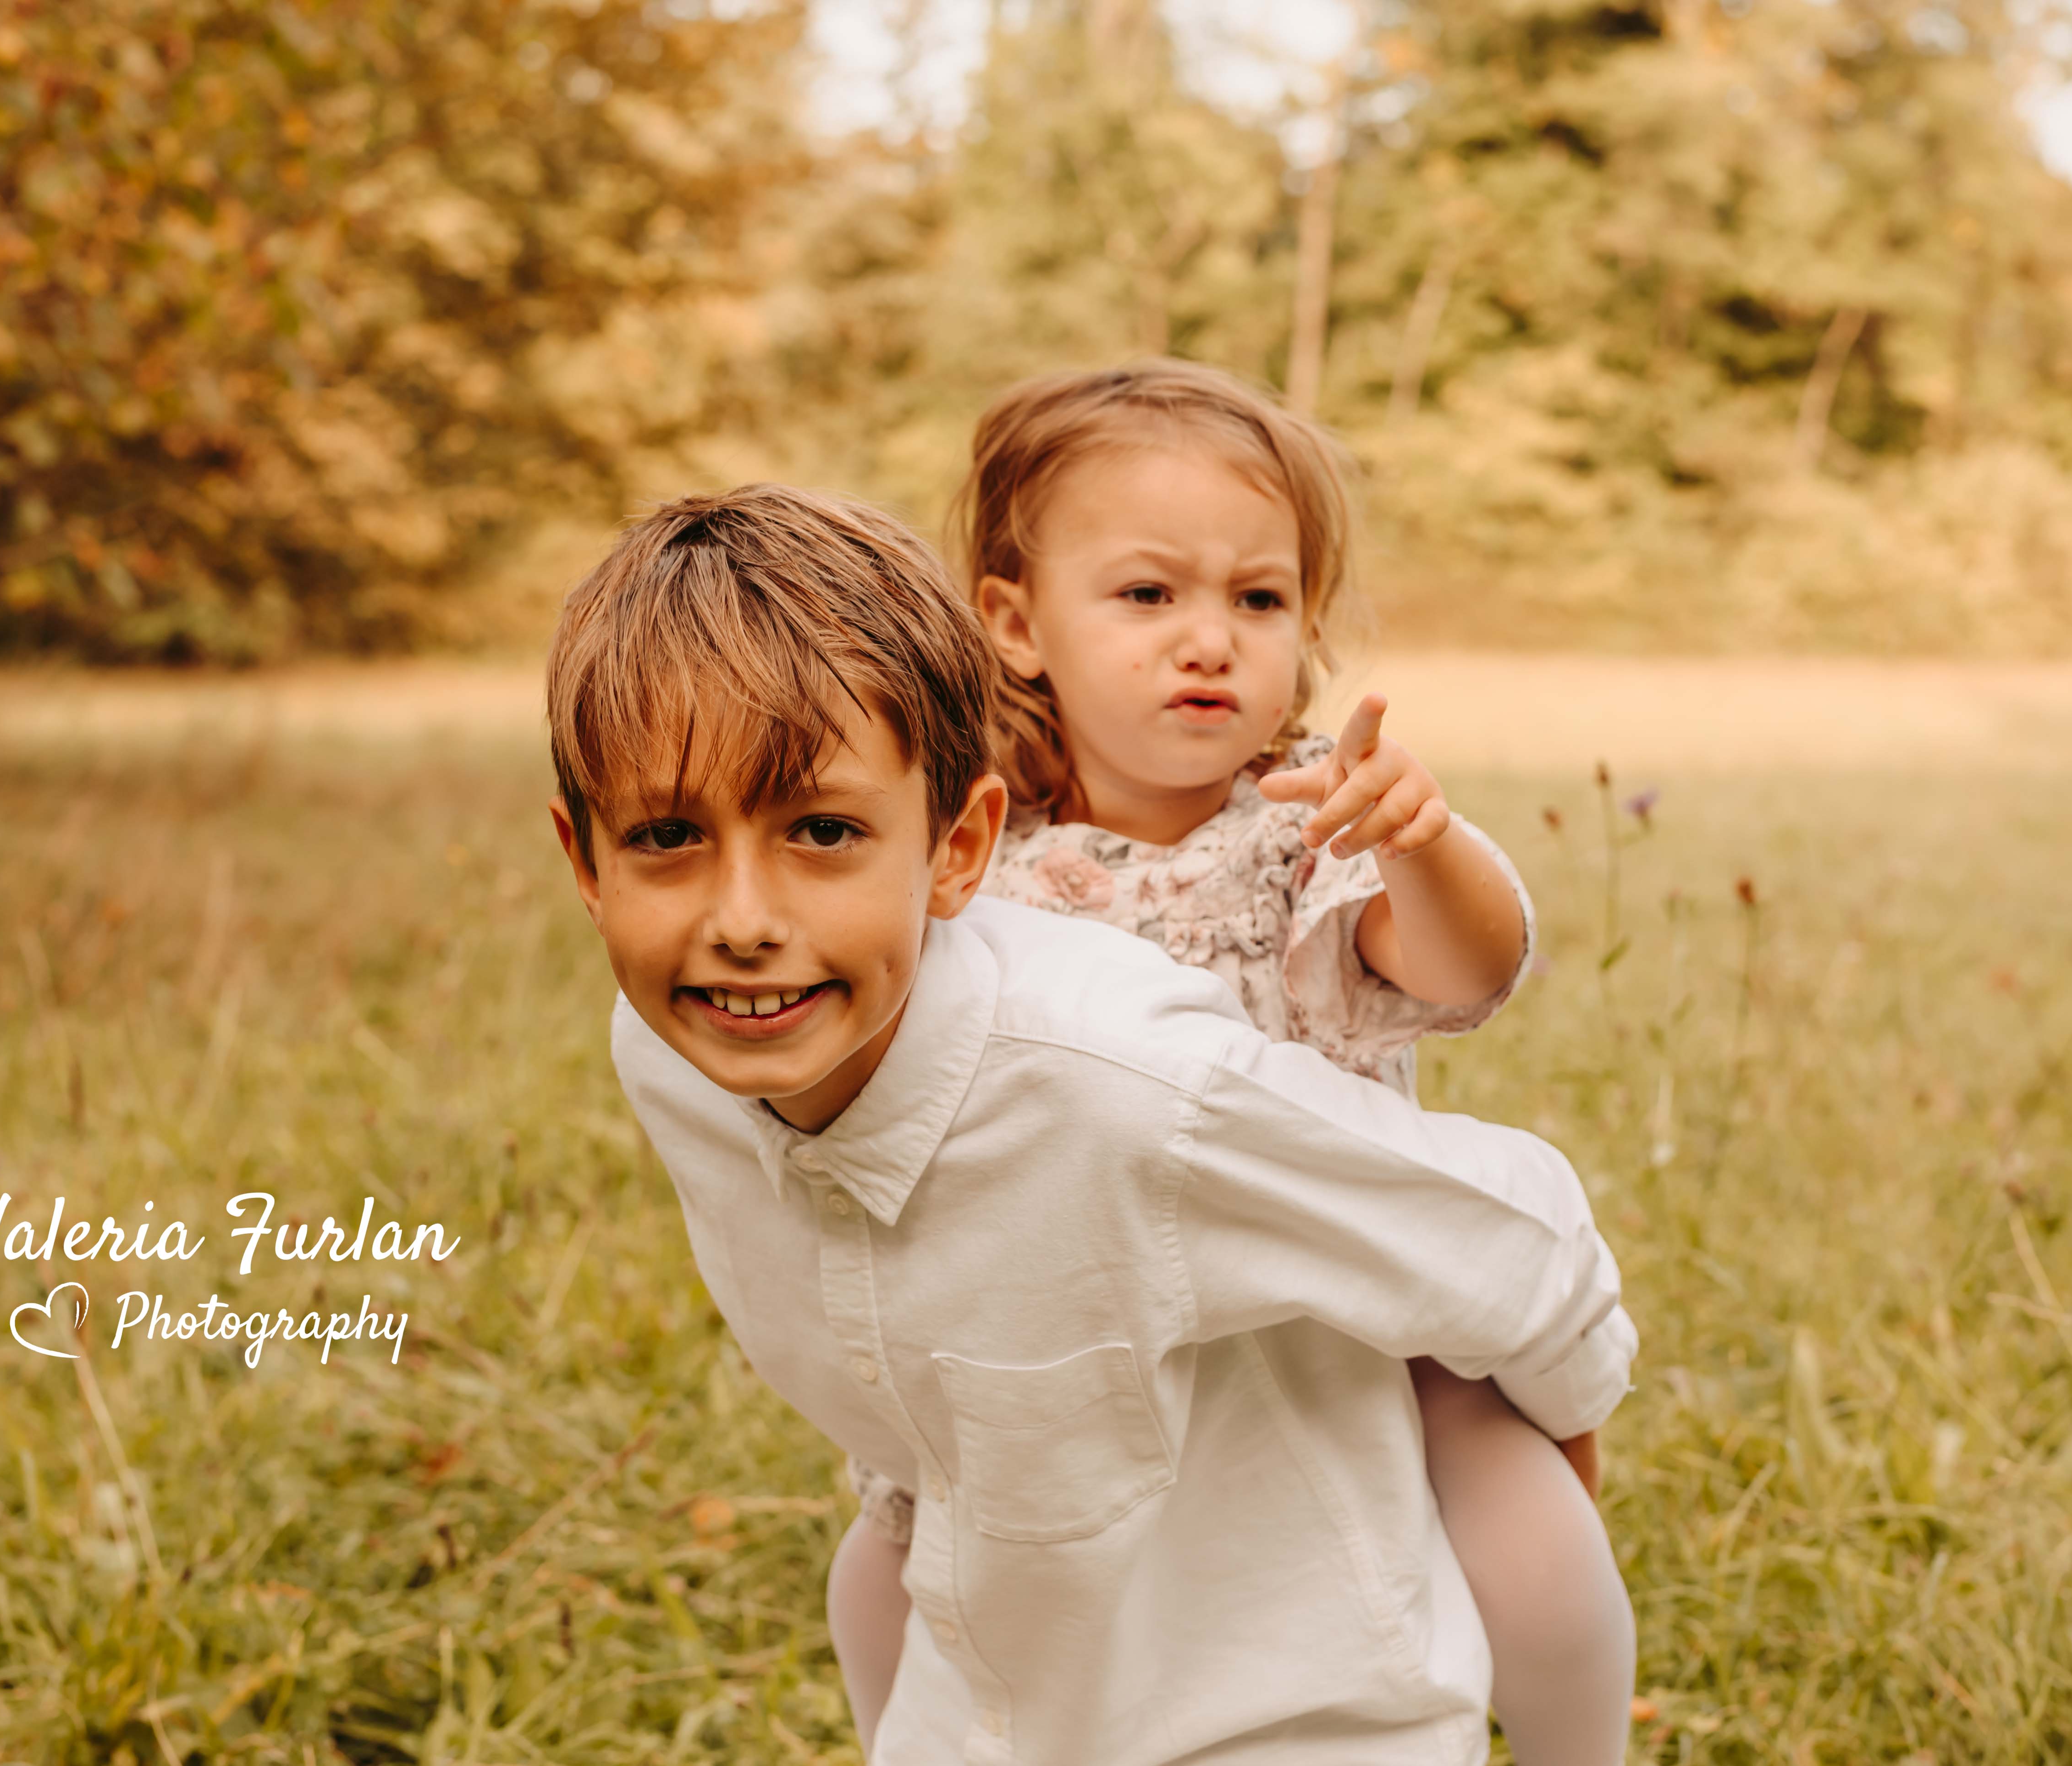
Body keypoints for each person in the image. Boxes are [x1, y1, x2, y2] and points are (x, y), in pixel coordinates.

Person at [547, 482, 1638, 1765]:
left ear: (957, 850)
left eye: (823, 831)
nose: (741, 918)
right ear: (587, 862)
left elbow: (1516, 1232)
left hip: (1298, 1704)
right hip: (1015, 1676)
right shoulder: (675, 1051)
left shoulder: (1123, 1083)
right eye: (668, 836)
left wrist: (1544, 1453)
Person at [825, 360, 1637, 1766]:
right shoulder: (978, 865)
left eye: (1257, 600)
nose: (1209, 640)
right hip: (1078, 1306)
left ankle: (1577, 1750)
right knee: (891, 1552)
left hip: (1334, 1291)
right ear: (1015, 624)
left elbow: (1469, 968)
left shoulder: (1302, 828)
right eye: (1149, 595)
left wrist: (1422, 841)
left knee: (1519, 1490)